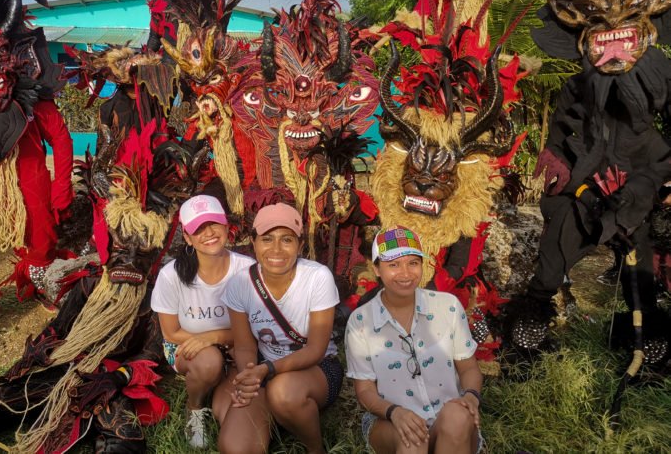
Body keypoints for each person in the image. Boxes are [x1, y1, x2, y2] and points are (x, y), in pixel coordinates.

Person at [345, 226, 483, 454]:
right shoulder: (361, 321)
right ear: (376, 269)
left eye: (413, 263)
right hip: (390, 419)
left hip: (447, 416)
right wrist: (394, 412)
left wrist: (471, 396)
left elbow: (468, 367)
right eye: (393, 265)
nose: (405, 273)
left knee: (457, 415)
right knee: (413, 440)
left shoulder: (447, 307)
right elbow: (365, 391)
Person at [218, 203, 342, 454]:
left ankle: (314, 448)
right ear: (253, 243)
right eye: (267, 239)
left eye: (286, 239)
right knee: (233, 447)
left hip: (316, 368)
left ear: (300, 245)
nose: (276, 249)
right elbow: (244, 346)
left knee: (283, 393)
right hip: (264, 367)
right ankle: (276, 414)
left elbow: (316, 349)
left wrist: (268, 369)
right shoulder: (240, 284)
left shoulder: (317, 278)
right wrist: (249, 378)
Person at [151, 194, 255, 448]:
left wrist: (216, 337)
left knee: (229, 412)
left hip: (236, 347)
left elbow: (254, 329)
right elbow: (171, 332)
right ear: (187, 237)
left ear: (226, 226)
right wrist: (209, 342)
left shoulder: (248, 269)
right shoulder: (171, 275)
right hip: (184, 345)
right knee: (210, 361)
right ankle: (194, 408)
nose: (208, 233)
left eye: (214, 224)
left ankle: (220, 390)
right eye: (198, 229)